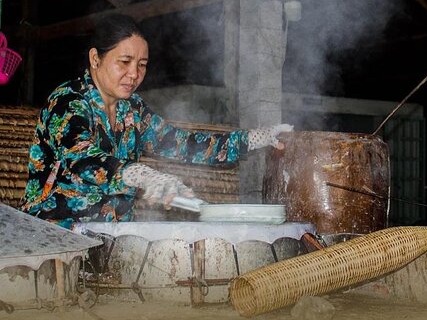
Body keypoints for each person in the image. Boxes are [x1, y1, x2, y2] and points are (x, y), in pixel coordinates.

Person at [20, 13, 292, 229]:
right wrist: (142, 175)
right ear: (95, 58)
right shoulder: (68, 101)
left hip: (110, 236)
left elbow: (184, 144)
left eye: (142, 64)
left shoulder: (134, 110)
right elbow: (83, 160)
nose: (133, 74)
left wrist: (253, 139)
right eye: (124, 62)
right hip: (55, 238)